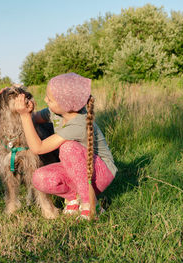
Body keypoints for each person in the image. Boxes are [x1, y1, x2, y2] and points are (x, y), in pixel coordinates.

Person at [14, 73, 117, 220]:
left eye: (49, 99)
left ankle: (90, 204)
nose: (45, 100)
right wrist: (27, 109)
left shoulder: (79, 123)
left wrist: (24, 116)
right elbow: (34, 119)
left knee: (68, 148)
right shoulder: (55, 113)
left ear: (65, 106)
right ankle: (73, 197)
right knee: (38, 177)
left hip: (100, 174)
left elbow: (38, 147)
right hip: (77, 170)